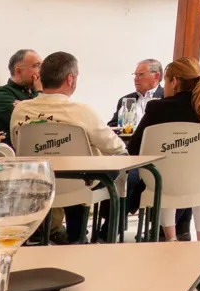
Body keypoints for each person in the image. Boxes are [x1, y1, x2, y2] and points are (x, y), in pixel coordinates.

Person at [12, 52, 125, 243]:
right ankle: (87, 235)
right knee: (103, 167)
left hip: (36, 182)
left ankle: (57, 232)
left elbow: (18, 146)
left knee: (69, 171)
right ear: (70, 79)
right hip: (78, 183)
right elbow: (116, 147)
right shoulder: (82, 112)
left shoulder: (20, 109)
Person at [127, 57, 200, 241]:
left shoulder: (157, 108)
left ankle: (170, 238)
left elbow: (134, 148)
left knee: (164, 171)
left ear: (174, 81)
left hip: (163, 183)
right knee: (197, 174)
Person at [0, 49, 42, 139]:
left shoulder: (33, 91)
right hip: (8, 151)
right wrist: (40, 92)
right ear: (18, 71)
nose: (41, 71)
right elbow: (35, 120)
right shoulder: (0, 95)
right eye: (37, 66)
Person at [109, 58, 164, 128]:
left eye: (141, 74)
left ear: (156, 76)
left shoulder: (166, 97)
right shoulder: (126, 100)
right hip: (129, 138)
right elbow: (112, 126)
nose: (136, 79)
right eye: (135, 75)